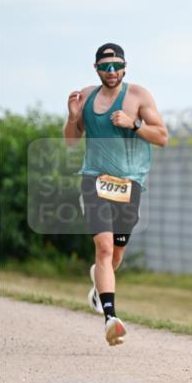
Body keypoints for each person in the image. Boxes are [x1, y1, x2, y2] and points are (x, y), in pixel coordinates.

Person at [64, 43, 169, 346]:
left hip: (128, 184)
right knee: (105, 248)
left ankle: (98, 284)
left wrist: (133, 123)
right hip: (93, 179)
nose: (111, 72)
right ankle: (111, 317)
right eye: (105, 67)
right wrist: (73, 118)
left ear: (125, 67)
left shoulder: (138, 96)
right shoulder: (84, 97)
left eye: (116, 66)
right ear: (96, 68)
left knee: (116, 253)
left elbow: (162, 136)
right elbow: (71, 142)